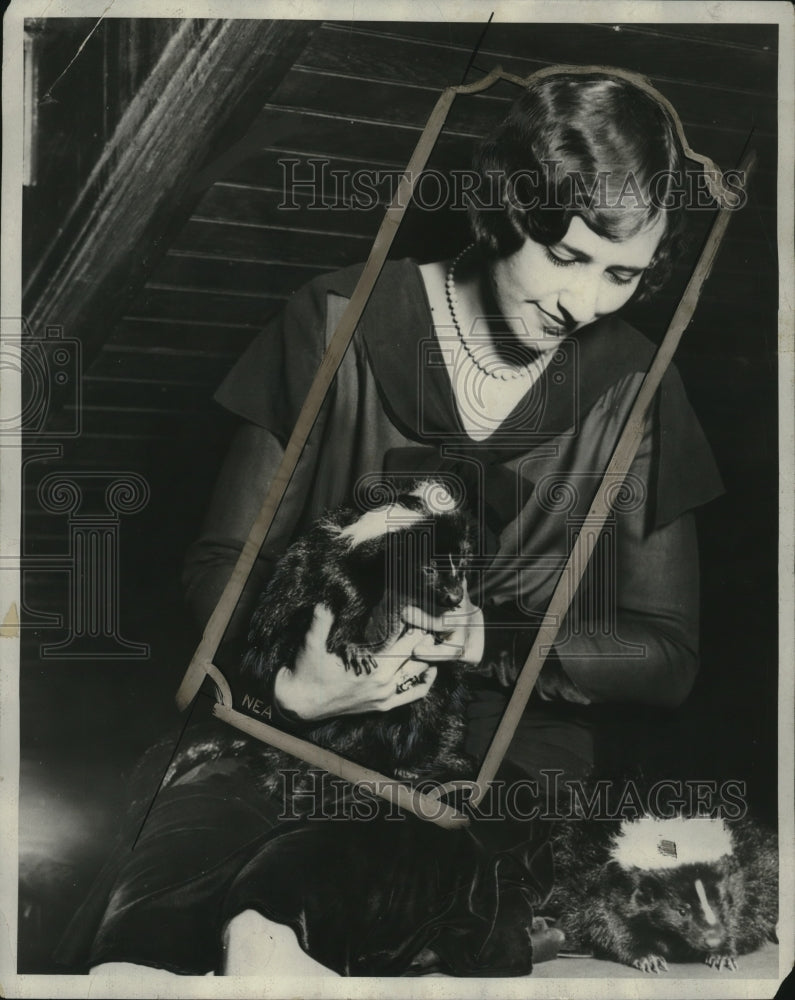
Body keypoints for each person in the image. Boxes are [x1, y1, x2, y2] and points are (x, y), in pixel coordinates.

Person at [58, 69, 724, 978]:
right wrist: (293, 683)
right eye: (564, 256)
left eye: (622, 275)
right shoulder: (334, 319)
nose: (585, 304)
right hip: (293, 714)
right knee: (185, 845)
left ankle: (269, 940)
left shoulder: (637, 390)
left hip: (493, 756)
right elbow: (221, 562)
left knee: (330, 875)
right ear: (504, 209)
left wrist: (484, 639)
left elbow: (665, 655)